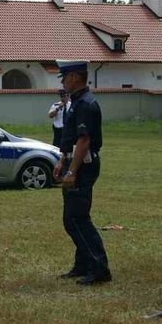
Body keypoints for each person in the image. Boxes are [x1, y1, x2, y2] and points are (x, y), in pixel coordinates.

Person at [53, 60, 111, 285]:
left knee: (76, 218)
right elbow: (70, 139)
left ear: (75, 77)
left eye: (65, 78)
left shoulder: (85, 104)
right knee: (72, 218)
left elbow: (84, 140)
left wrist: (72, 171)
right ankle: (83, 263)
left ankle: (99, 268)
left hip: (83, 165)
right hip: (73, 162)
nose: (63, 82)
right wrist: (62, 161)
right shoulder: (76, 102)